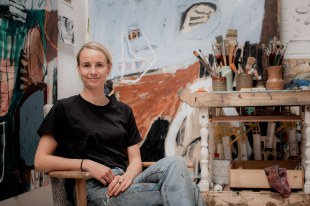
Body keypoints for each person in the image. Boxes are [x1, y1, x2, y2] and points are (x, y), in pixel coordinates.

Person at [34, 42, 205, 206]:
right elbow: (41, 161)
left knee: (175, 162)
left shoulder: (123, 110)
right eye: (86, 65)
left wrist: (127, 177)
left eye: (99, 65)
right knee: (191, 191)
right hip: (91, 187)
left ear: (108, 68)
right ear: (78, 69)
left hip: (125, 181)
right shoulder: (64, 108)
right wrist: (86, 164)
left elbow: (135, 159)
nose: (93, 71)